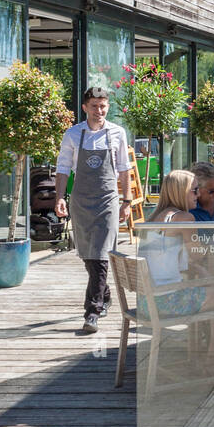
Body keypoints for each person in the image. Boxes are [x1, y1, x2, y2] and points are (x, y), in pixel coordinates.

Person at [55, 86, 134, 334]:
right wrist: (59, 197)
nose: (99, 110)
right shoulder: (73, 134)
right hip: (81, 201)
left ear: (107, 107)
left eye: (103, 106)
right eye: (94, 106)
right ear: (85, 107)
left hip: (108, 200)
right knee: (89, 256)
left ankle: (92, 312)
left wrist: (127, 201)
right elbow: (63, 168)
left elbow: (123, 169)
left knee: (101, 254)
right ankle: (105, 293)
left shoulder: (118, 133)